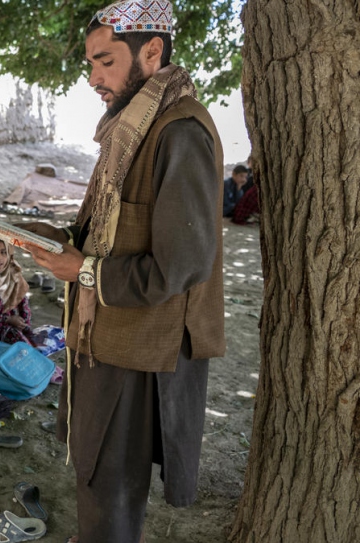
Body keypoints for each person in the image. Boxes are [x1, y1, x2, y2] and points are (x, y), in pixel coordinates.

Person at [23, 3, 224, 541]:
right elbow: (116, 228)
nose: (93, 78)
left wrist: (83, 272)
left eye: (105, 61)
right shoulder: (131, 127)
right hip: (105, 339)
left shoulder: (179, 132)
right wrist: (64, 243)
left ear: (152, 52)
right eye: (91, 64)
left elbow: (179, 266)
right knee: (95, 471)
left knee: (110, 483)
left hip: (139, 351)